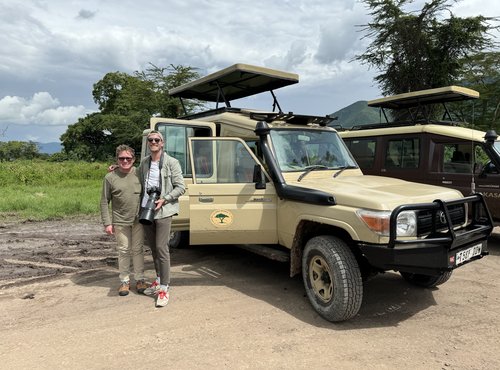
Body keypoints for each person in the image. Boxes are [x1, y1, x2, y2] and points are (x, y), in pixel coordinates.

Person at [139, 130, 185, 307]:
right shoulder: (144, 162)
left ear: (162, 143)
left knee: (161, 247)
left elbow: (181, 187)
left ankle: (165, 288)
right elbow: (134, 178)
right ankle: (158, 280)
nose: (153, 142)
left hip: (163, 210)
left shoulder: (172, 162)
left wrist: (165, 199)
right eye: (150, 140)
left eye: (156, 140)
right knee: (153, 248)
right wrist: (117, 169)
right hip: (146, 209)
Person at [100, 145, 147, 296]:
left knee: (138, 249)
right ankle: (125, 282)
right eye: (121, 158)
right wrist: (107, 223)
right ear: (117, 159)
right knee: (124, 251)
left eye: (128, 158)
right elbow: (104, 201)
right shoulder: (110, 177)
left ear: (134, 159)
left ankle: (140, 279)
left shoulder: (140, 173)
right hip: (120, 220)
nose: (125, 161)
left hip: (139, 219)